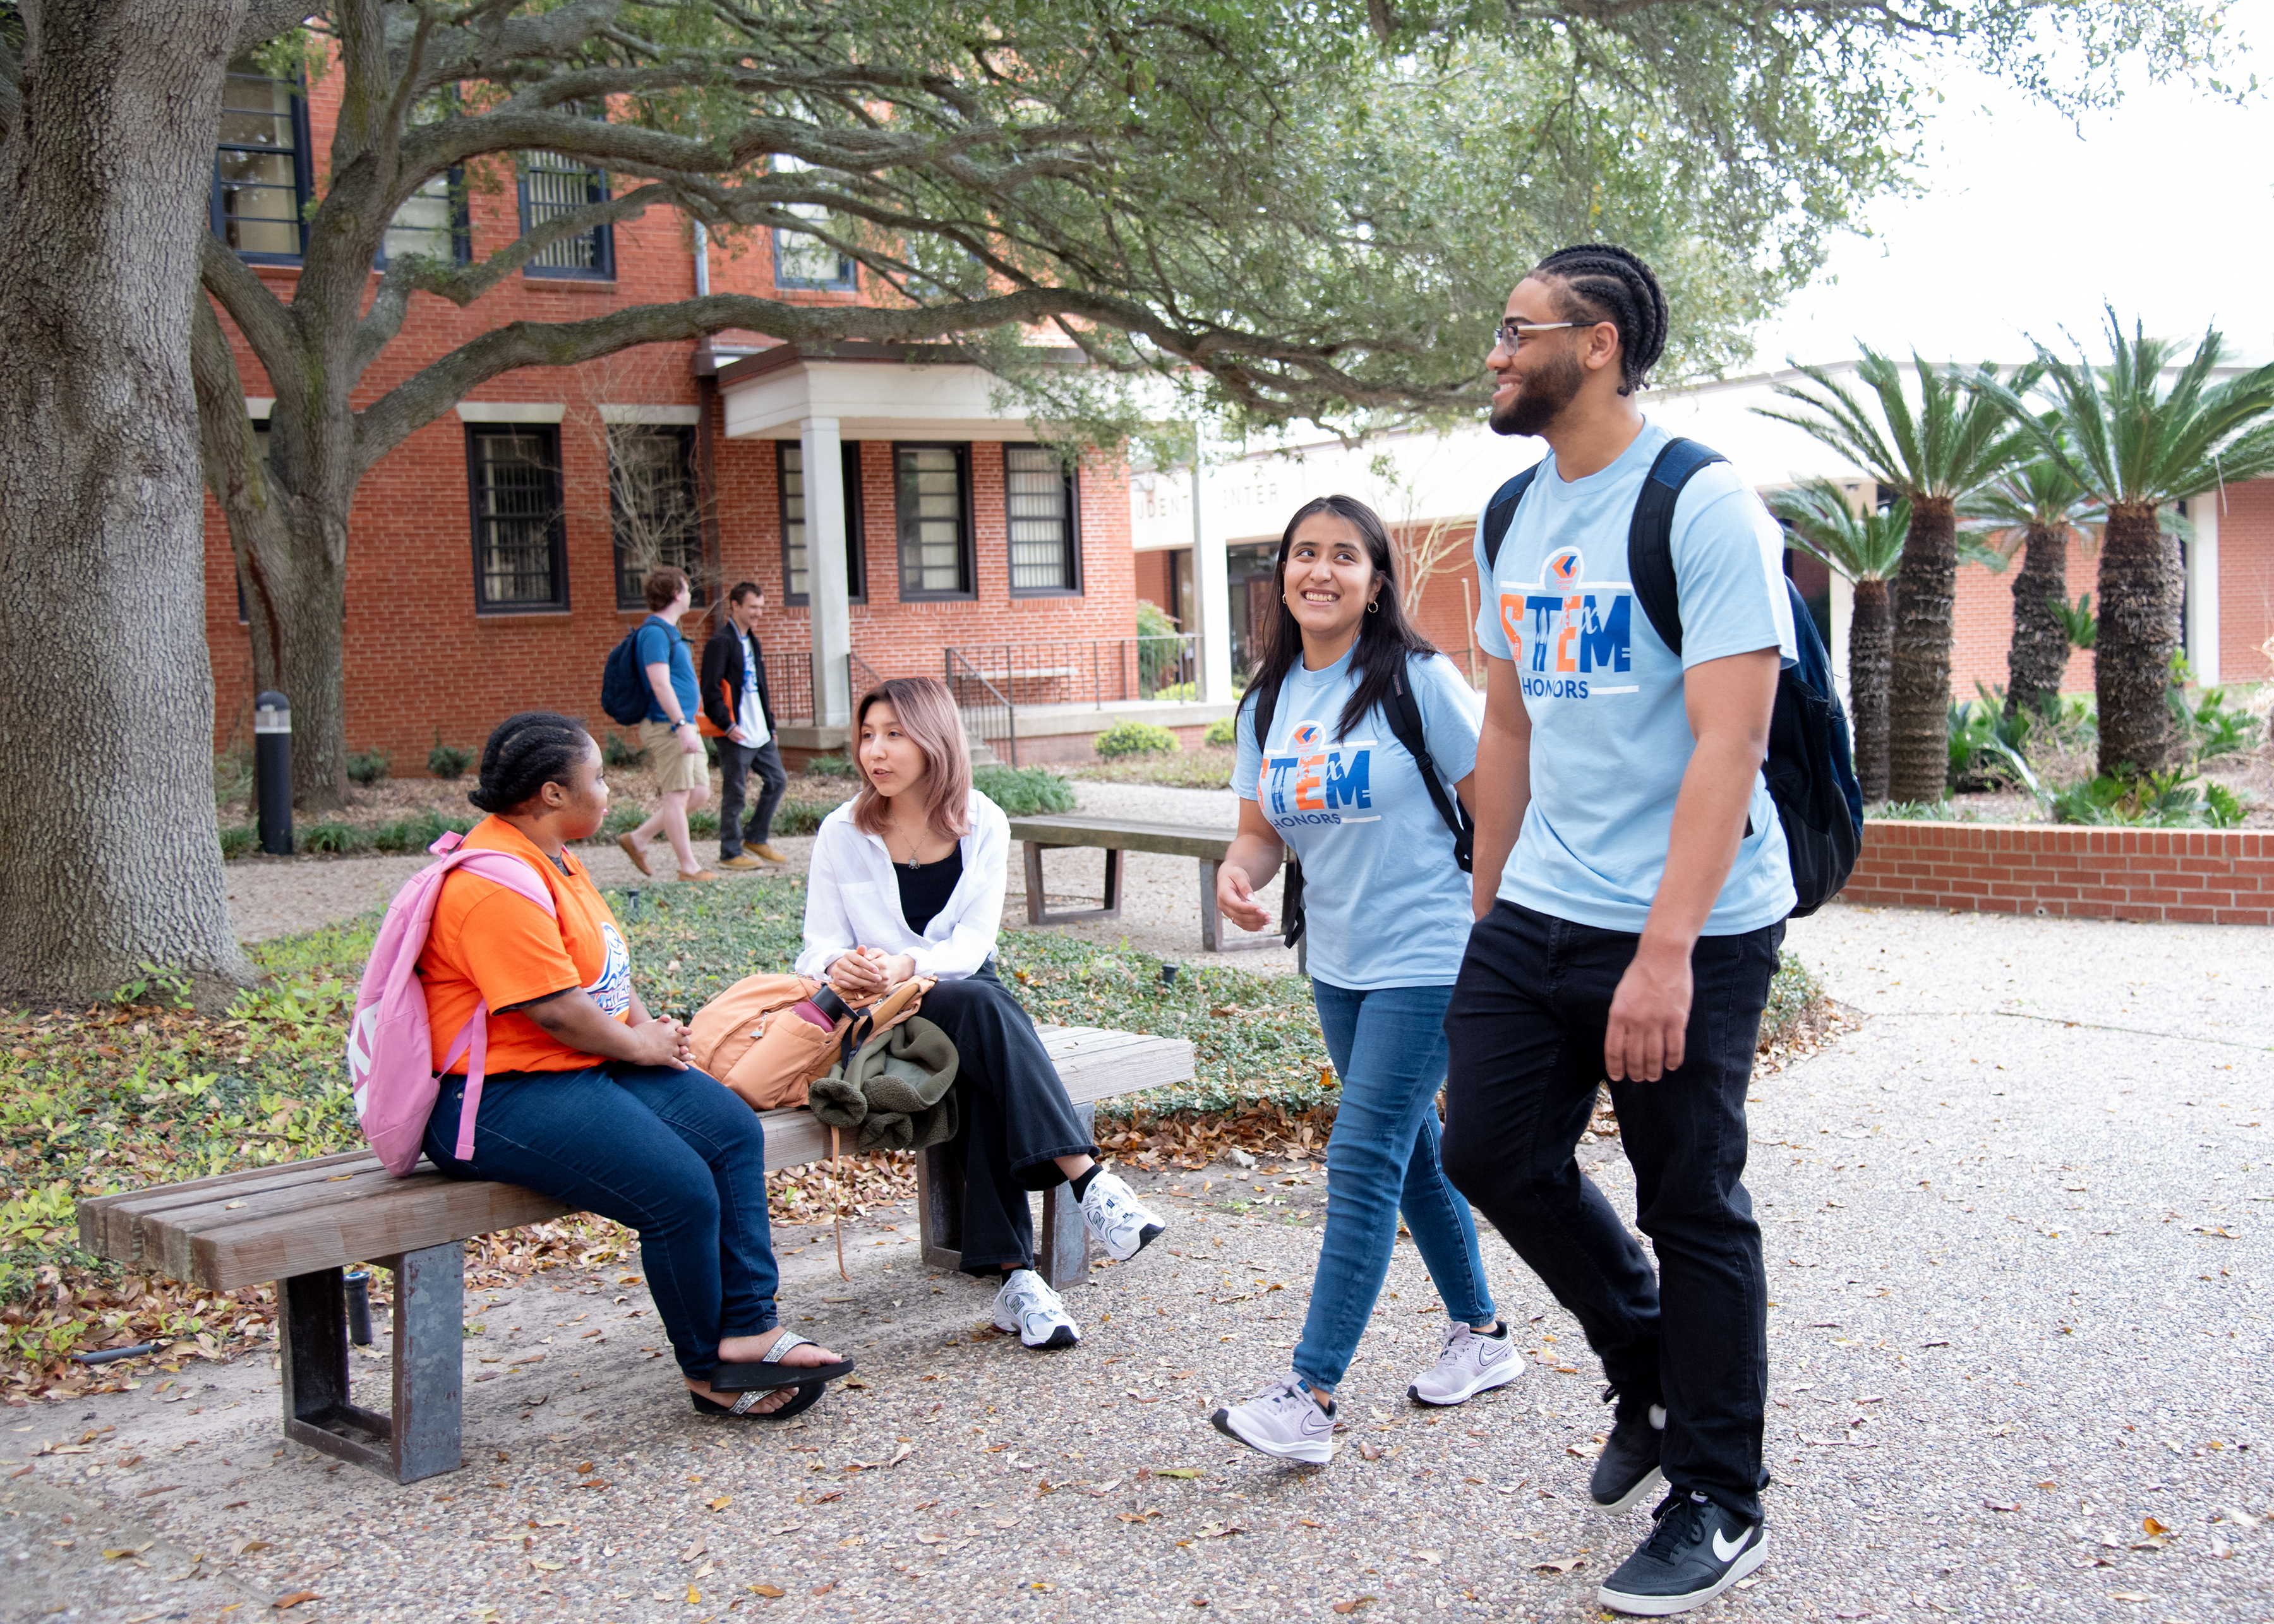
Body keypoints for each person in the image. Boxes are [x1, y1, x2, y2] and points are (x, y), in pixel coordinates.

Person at [1438, 243, 1796, 1615]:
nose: (1495, 351)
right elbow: (1514, 718)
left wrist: (1663, 953)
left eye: (1515, 329)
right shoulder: (1510, 514)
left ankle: (1720, 1492)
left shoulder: (1699, 504)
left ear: (1594, 345)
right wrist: (1491, 905)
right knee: (1488, 1147)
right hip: (1539, 906)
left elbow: (1730, 741)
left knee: (1689, 1195)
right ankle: (1643, 1350)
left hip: (1691, 922)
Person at [419, 711, 848, 1418]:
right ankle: (708, 1370)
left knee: (730, 1131)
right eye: (598, 778)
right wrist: (638, 1047)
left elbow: (599, 970)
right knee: (677, 1191)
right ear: (553, 793)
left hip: (581, 1062)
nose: (610, 789)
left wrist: (651, 1034)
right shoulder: (491, 881)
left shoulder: (553, 855)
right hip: (496, 1095)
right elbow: (554, 1008)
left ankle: (748, 1329)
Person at [1203, 495, 1514, 1465]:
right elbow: (1261, 831)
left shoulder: (1421, 681)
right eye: (1304, 553)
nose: (1321, 570)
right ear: (1282, 574)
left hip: (1430, 953)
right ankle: (1484, 1334)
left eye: (1345, 555)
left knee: (1364, 1151)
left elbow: (1496, 803)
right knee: (1412, 1149)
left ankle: (1311, 1391)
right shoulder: (1270, 699)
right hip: (1335, 960)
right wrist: (1238, 876)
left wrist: (1495, 927)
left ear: (1378, 579)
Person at [797, 677, 1168, 1349]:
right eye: (867, 735)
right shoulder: (841, 832)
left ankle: (1019, 1277)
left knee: (976, 1044)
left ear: (934, 740)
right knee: (985, 1012)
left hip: (959, 991)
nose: (874, 751)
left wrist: (910, 965)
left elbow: (972, 943)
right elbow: (817, 943)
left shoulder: (984, 821)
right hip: (880, 1017)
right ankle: (1090, 1184)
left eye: (894, 735)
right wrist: (837, 967)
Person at [617, 567, 716, 883]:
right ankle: (689, 868)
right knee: (677, 795)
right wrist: (681, 724)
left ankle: (639, 838)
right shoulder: (655, 633)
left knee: (699, 792)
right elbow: (660, 684)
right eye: (687, 589)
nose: (690, 594)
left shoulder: (669, 631)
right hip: (668, 726)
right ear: (676, 594)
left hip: (682, 725)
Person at [701, 580, 790, 870]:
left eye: (761, 608)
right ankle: (730, 853)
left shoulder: (753, 641)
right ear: (736, 606)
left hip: (761, 731)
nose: (758, 613)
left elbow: (761, 686)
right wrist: (726, 726)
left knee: (777, 781)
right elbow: (710, 689)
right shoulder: (720, 642)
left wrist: (772, 726)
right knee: (735, 792)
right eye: (753, 607)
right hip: (736, 732)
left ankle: (755, 837)